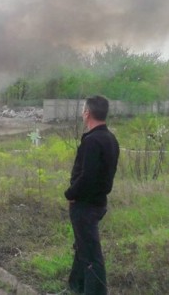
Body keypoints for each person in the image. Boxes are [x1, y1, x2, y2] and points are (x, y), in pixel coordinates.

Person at [64, 95, 120, 295]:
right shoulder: (110, 138)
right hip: (97, 202)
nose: (82, 113)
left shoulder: (93, 141)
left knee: (91, 256)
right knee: (82, 247)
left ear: (87, 113)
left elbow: (88, 176)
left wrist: (70, 193)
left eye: (83, 110)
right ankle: (75, 287)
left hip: (85, 205)